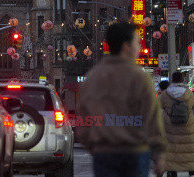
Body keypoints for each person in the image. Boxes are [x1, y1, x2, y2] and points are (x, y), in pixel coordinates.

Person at [77, 22, 167, 177]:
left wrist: (93, 145)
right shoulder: (140, 77)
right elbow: (152, 117)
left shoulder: (93, 77)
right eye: (137, 43)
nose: (139, 48)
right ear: (126, 47)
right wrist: (159, 153)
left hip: (103, 152)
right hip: (135, 151)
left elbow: (83, 117)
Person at [159, 71, 194, 177]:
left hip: (170, 128)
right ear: (182, 80)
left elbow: (158, 106)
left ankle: (172, 171)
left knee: (171, 149)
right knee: (188, 148)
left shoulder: (165, 94)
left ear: (172, 80)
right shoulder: (189, 94)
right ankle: (191, 169)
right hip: (187, 126)